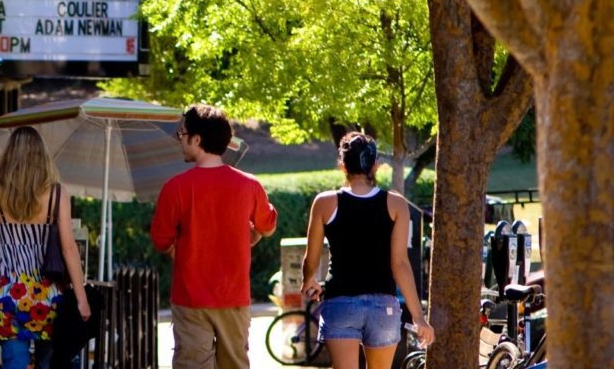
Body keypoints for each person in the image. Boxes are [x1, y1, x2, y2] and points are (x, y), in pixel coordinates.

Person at [151, 104, 278, 369]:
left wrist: (182, 249)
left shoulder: (175, 188)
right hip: (234, 297)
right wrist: (252, 235)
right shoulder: (250, 185)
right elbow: (267, 226)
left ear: (196, 139)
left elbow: (162, 242)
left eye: (181, 133)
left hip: (190, 298)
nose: (180, 140)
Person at [301, 132, 434, 369]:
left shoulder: (324, 203)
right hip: (383, 306)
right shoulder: (396, 204)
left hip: (340, 303)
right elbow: (400, 264)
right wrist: (419, 317)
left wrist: (308, 279)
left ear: (343, 165)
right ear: (375, 165)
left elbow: (311, 259)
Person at [0, 126, 91, 369]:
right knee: (51, 362)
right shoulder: (57, 194)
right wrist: (81, 299)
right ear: (41, 155)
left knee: (14, 362)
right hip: (49, 295)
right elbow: (69, 249)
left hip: (9, 294)